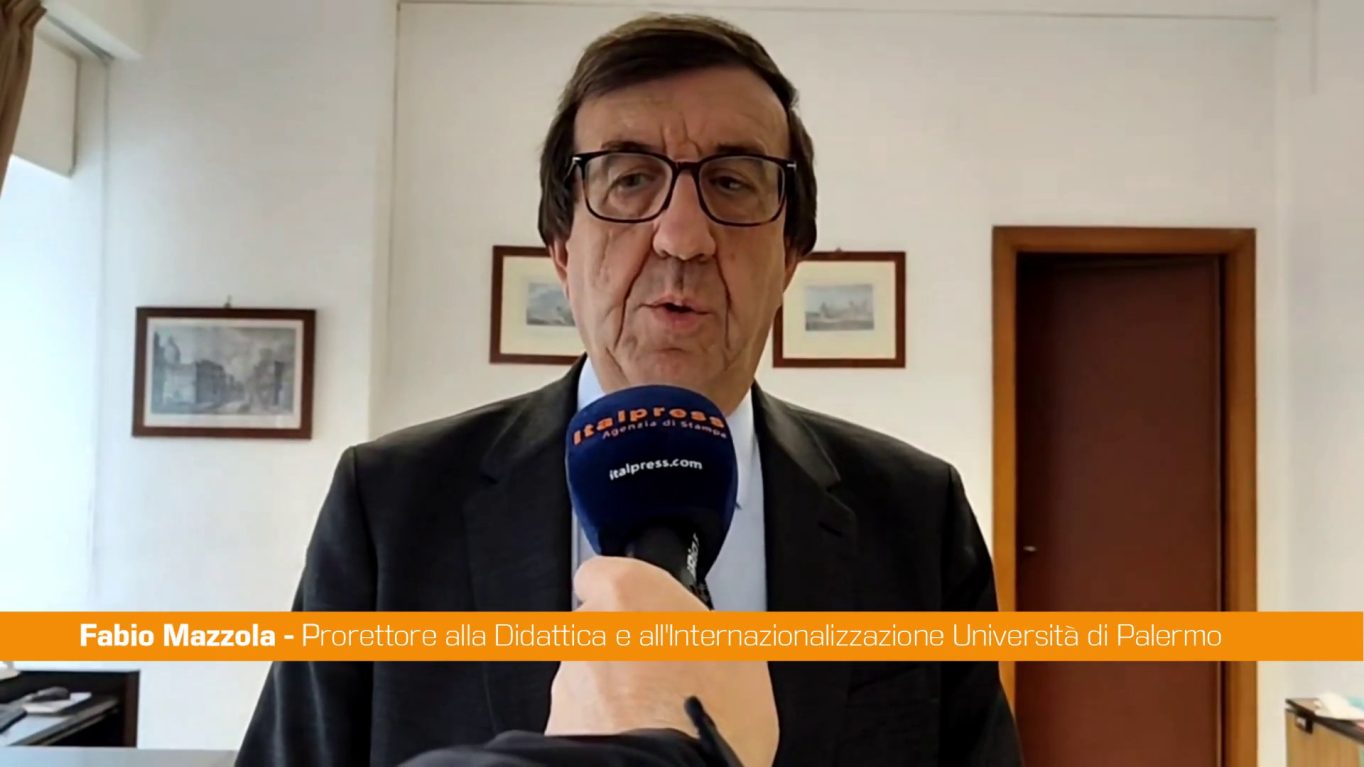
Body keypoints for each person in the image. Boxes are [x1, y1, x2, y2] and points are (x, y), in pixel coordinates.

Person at [238, 13, 1022, 767]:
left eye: (734, 182)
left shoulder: (916, 514)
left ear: (790, 257)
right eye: (630, 179)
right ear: (561, 248)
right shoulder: (391, 505)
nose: (682, 237)